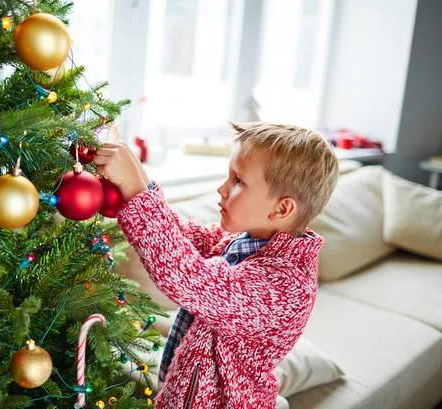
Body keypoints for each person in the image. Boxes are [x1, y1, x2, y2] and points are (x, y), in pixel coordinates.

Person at [94, 123, 339, 409]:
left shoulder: (285, 286)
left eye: (238, 181)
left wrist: (136, 191)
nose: (222, 188)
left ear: (282, 209)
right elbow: (179, 234)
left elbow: (186, 276)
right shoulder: (241, 241)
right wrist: (139, 182)